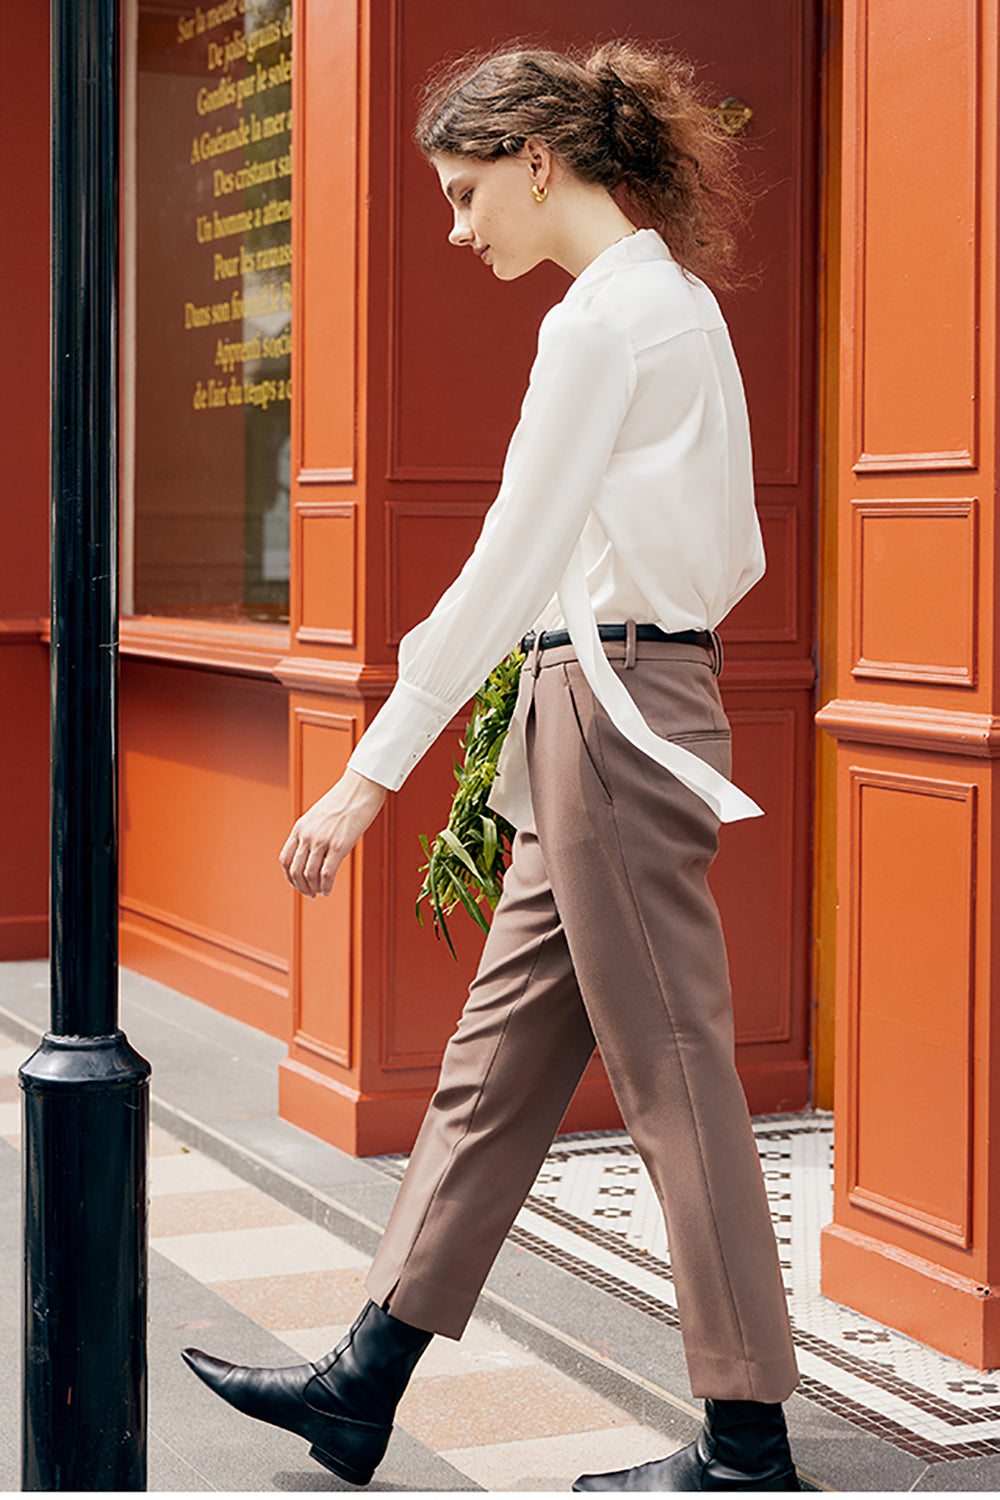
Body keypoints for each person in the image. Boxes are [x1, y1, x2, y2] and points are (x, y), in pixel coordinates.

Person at [181, 39, 802, 1492]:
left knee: (676, 1077)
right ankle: (363, 1379)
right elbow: (734, 554)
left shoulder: (600, 324)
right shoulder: (679, 305)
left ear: (538, 160)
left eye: (465, 193)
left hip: (608, 713)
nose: (457, 230)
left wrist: (371, 772)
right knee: (493, 1067)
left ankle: (746, 1446)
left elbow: (507, 563)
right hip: (627, 696)